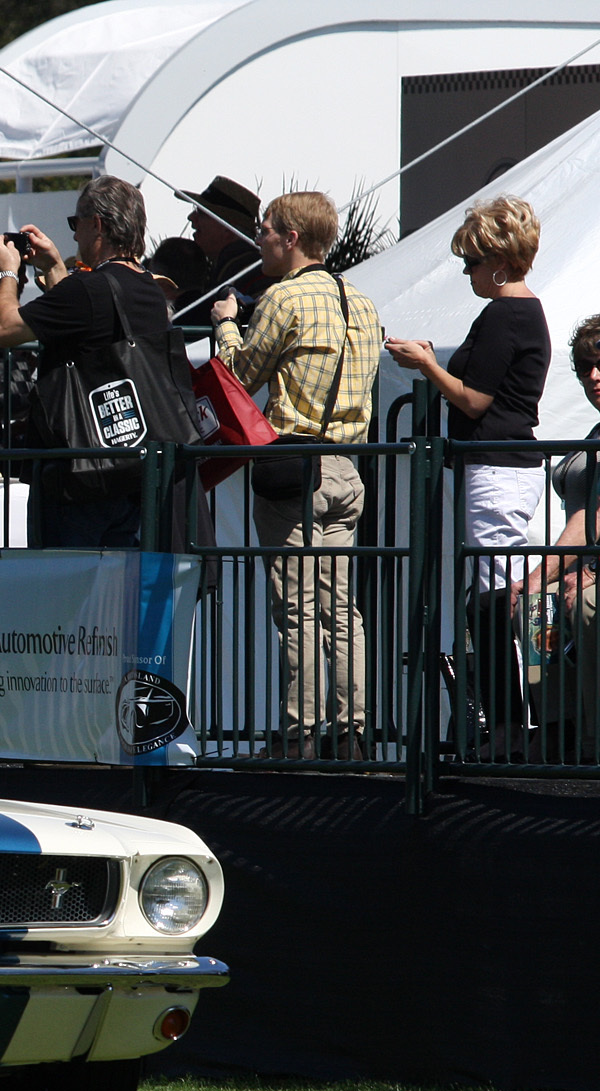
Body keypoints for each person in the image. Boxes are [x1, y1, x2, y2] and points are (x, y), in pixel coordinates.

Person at [211, 192, 381, 760]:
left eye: (264, 231)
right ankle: (354, 733)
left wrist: (227, 326)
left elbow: (239, 376)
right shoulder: (362, 302)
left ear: (290, 237)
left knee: (298, 610)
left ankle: (299, 735)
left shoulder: (281, 298)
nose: (258, 239)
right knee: (342, 610)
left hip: (294, 470)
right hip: (346, 471)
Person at [388, 195, 550, 753]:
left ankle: (509, 730)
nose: (467, 273)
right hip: (502, 468)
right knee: (489, 597)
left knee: (491, 600)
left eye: (472, 263)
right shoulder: (519, 311)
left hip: (498, 469)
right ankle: (507, 726)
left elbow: (477, 400)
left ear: (498, 262)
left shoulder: (507, 313)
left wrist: (426, 364)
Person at [0, 176, 185, 549]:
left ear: (96, 224)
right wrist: (57, 266)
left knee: (66, 593)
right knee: (114, 596)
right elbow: (89, 322)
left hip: (79, 472)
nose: (75, 236)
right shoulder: (148, 286)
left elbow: (3, 328)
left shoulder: (89, 288)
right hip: (130, 468)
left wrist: (8, 270)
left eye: (75, 225)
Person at [517, 316, 600, 759]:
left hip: (592, 568)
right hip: (584, 562)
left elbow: (594, 517)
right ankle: (555, 727)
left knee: (587, 605)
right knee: (535, 606)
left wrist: (583, 569)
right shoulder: (594, 434)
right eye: (585, 367)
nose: (594, 377)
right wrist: (539, 580)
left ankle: (592, 743)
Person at [179, 175, 266, 312]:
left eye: (202, 212)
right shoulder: (235, 264)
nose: (191, 217)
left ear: (228, 228)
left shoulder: (249, 269)